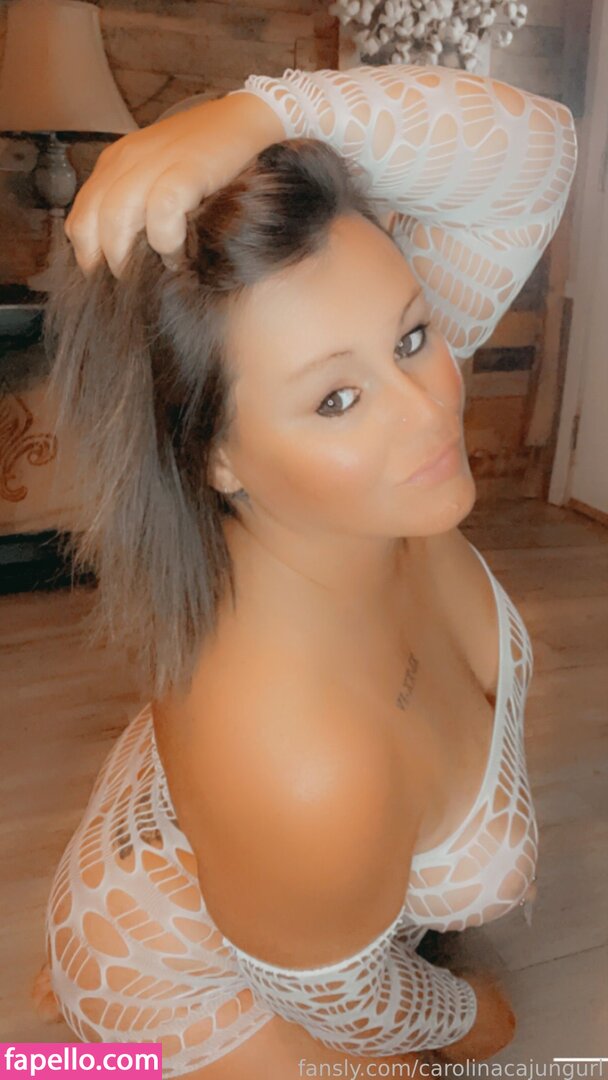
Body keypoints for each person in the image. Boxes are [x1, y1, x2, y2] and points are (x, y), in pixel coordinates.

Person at [33, 62, 577, 1078]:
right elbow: (358, 1008)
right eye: (335, 399)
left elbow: (535, 156)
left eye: (411, 336)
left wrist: (262, 112)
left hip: (268, 869)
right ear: (216, 457)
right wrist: (474, 1020)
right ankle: (65, 1048)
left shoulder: (366, 478)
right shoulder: (298, 758)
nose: (429, 410)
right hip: (179, 980)